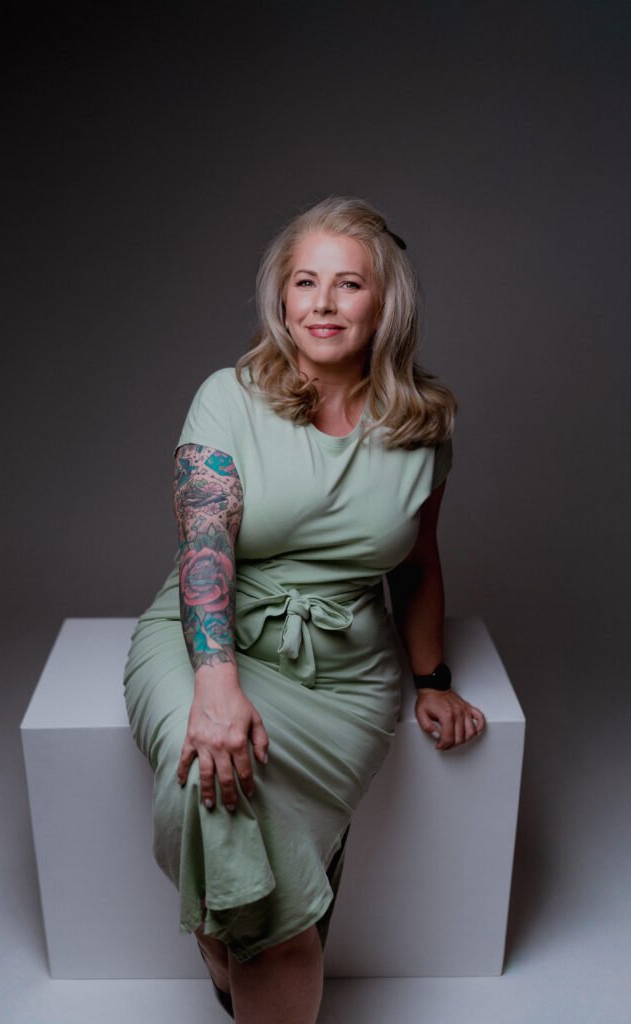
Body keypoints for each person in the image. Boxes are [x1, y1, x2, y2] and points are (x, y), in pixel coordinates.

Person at [123, 195, 486, 1024]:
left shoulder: (423, 425)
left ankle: (231, 945)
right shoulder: (227, 396)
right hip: (207, 639)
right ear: (280, 298)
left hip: (344, 673)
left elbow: (417, 561)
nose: (322, 304)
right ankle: (243, 944)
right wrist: (216, 686)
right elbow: (204, 549)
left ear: (384, 303)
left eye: (348, 284)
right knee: (208, 786)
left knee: (254, 882)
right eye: (304, 282)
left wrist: (431, 681)